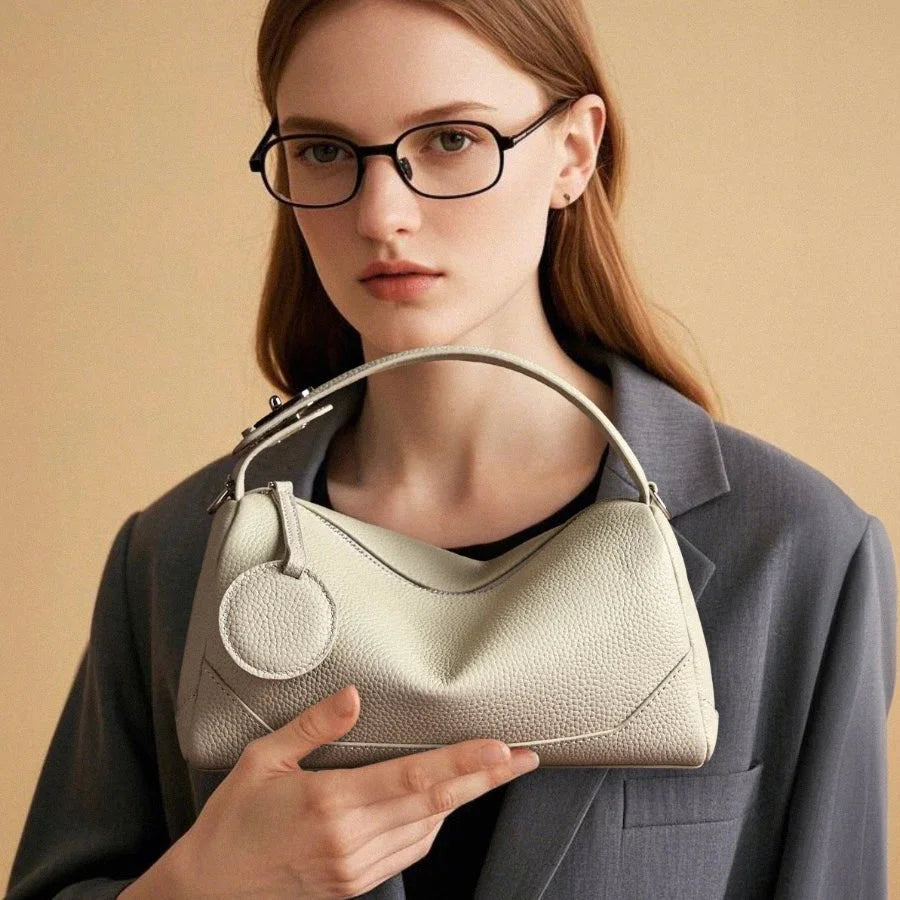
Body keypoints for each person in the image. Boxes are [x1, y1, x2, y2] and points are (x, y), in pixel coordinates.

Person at [7, 0, 896, 897]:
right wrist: (198, 886)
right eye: (323, 151)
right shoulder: (177, 555)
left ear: (575, 152)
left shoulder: (798, 551)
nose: (380, 213)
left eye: (452, 141)